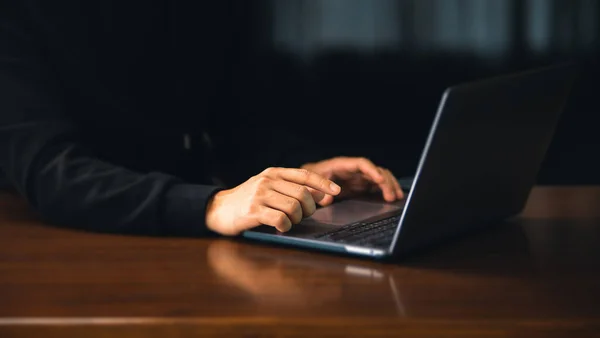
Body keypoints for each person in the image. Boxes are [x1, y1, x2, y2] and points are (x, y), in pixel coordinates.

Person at [0, 1, 403, 237]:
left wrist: (304, 174)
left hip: (180, 232)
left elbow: (235, 127)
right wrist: (210, 205)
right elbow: (49, 171)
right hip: (58, 237)